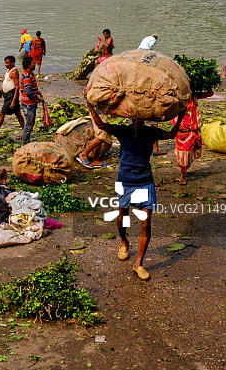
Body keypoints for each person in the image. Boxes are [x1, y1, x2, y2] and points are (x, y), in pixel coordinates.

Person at [87, 102, 184, 281]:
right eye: (134, 118)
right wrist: (90, 105)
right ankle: (124, 242)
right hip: (125, 181)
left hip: (145, 181)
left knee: (145, 222)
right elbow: (101, 125)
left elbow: (171, 134)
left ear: (145, 118)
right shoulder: (123, 131)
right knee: (122, 216)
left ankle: (138, 264)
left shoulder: (150, 132)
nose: (137, 122)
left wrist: (181, 116)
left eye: (141, 119)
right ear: (130, 117)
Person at [172, 91, 212, 185]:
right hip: (179, 130)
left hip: (191, 131)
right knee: (182, 153)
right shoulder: (177, 98)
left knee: (187, 152)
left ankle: (184, 172)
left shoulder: (194, 96)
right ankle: (183, 173)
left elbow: (210, 93)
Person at [0, 56, 25, 138]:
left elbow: (17, 87)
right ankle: (25, 130)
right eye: (5, 63)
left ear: (12, 63)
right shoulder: (8, 70)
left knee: (1, 114)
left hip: (11, 96)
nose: (5, 64)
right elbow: (6, 82)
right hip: (7, 95)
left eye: (7, 63)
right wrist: (0, 91)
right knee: (18, 114)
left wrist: (13, 101)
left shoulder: (14, 72)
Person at [20, 56, 43, 145]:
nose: (35, 64)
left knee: (28, 123)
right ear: (29, 65)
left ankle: (25, 141)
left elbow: (32, 89)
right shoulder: (27, 77)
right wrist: (38, 98)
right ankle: (25, 144)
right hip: (29, 104)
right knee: (29, 125)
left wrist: (39, 93)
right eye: (33, 63)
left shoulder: (28, 75)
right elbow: (29, 92)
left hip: (27, 103)